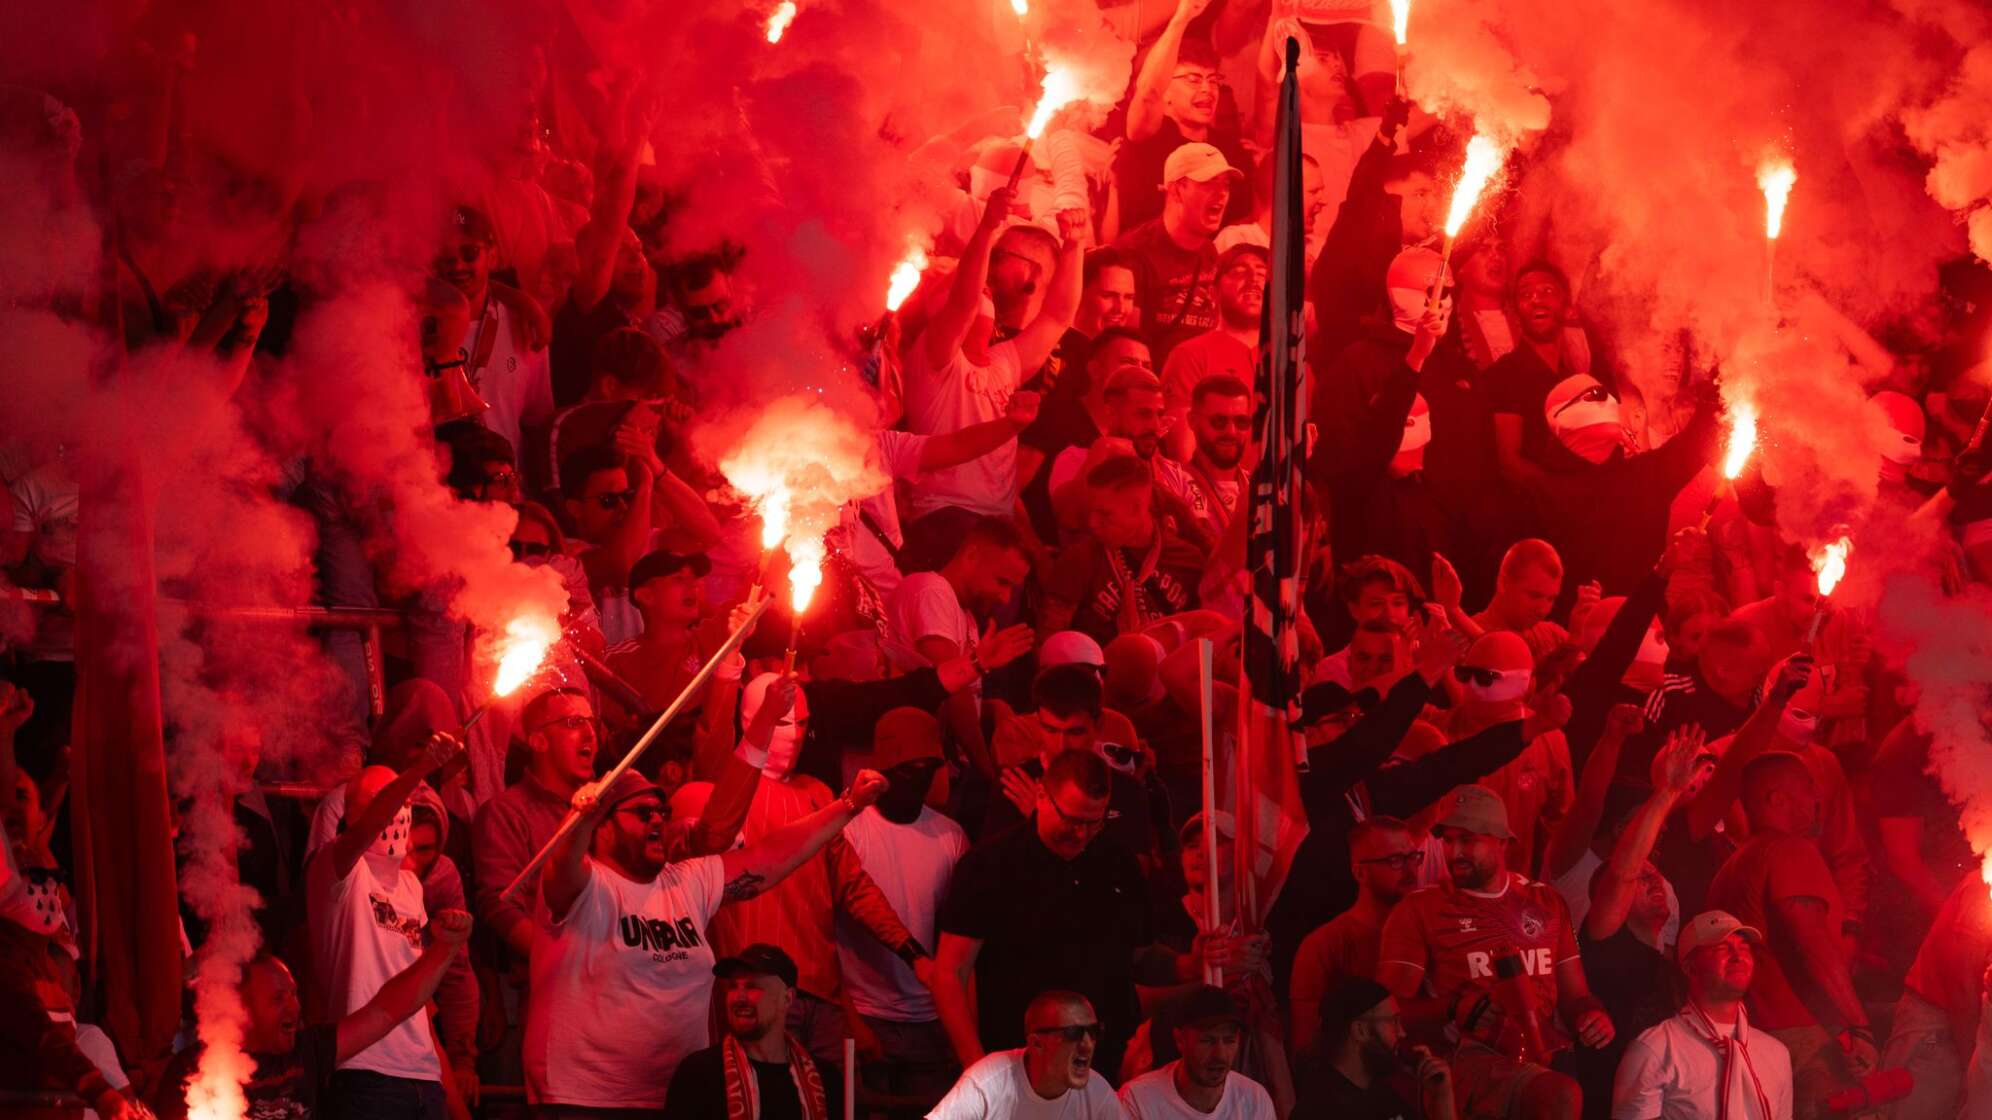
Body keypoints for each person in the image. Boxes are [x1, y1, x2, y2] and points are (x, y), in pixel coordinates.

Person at [524, 724, 890, 1114]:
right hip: (585, 1101)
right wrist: (578, 818)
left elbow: (767, 858)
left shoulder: (686, 882)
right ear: (604, 823)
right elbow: (562, 865)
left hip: (675, 1098)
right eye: (642, 812)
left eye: (662, 813)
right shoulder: (588, 885)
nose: (657, 821)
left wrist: (847, 806)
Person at [1377, 786, 1613, 1120]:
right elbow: (1385, 1014)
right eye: (1447, 839)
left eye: (1469, 839)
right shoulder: (1420, 909)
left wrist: (1592, 1017)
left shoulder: (1546, 902)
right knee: (1560, 1095)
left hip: (1540, 1055)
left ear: (1503, 841)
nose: (1454, 851)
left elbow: (1577, 996)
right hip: (1468, 1059)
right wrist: (1453, 1008)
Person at [932, 750, 1150, 1077]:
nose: (1081, 834)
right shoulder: (989, 866)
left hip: (1103, 1063)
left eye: (1095, 822)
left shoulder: (1118, 863)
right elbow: (949, 973)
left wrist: (1191, 963)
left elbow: (1136, 958)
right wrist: (974, 1065)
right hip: (1017, 1062)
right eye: (1072, 819)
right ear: (1041, 796)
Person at [900, 192, 1082, 569]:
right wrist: (986, 228)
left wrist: (1077, 245)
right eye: (977, 294)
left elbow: (1058, 317)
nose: (983, 293)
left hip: (996, 526)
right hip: (945, 519)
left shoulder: (1003, 363)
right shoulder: (937, 359)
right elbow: (963, 302)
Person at [155, 913, 475, 1120]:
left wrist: (444, 949)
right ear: (241, 1009)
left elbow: (387, 1011)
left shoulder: (308, 1050)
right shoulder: (195, 1068)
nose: (293, 1007)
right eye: (278, 998)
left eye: (294, 994)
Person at [1703, 754, 1874, 1120]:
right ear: (1776, 799)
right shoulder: (1788, 850)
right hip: (1805, 1035)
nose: (1817, 795)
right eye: (1808, 786)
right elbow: (1809, 940)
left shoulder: (1730, 869)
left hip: (1755, 1034)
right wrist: (1857, 1023)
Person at [305, 730, 465, 1120]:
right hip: (363, 1072)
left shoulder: (412, 886)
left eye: (406, 800)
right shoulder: (337, 871)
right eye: (384, 799)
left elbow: (417, 1000)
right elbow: (364, 831)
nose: (399, 808)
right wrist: (419, 770)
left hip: (423, 1076)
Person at [837, 709, 971, 1113]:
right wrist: (850, 1018)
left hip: (931, 1014)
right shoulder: (849, 829)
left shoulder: (950, 836)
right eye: (907, 768)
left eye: (927, 767)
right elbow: (823, 931)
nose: (918, 777)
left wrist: (959, 1023)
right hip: (867, 1011)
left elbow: (963, 942)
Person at [884, 515, 1034, 773]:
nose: (1006, 598)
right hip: (915, 770)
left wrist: (991, 710)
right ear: (972, 555)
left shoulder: (965, 614)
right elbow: (952, 691)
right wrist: (986, 770)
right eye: (1002, 581)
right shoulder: (933, 591)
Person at [1611, 911, 1794, 1120]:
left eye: (1744, 947)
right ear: (1690, 968)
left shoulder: (1777, 1053)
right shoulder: (1655, 1050)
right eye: (1722, 948)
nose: (1737, 955)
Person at [979, 663, 1162, 861]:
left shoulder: (1126, 790)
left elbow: (1131, 875)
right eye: (1051, 730)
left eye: (1075, 732)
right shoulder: (1014, 785)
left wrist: (1043, 820)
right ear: (1038, 722)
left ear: (1099, 724)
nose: (1061, 745)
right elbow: (994, 868)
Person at [661, 944, 845, 1120]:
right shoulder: (698, 1074)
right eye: (733, 986)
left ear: (788, 998)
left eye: (752, 987)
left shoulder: (826, 1080)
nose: (738, 998)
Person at [432, 204, 554, 458]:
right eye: (446, 257)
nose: (456, 266)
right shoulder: (416, 328)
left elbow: (537, 422)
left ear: (493, 256)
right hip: (435, 487)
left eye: (469, 253)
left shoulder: (524, 326)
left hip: (504, 487)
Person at [1040, 457, 1204, 646]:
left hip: (1170, 672)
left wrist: (1206, 677)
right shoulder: (1080, 558)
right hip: (1100, 672)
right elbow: (1049, 644)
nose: (1092, 523)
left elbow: (1206, 639)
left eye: (1104, 514)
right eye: (1090, 512)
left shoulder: (1189, 560)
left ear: (1136, 509)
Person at [1289, 817, 1420, 1052]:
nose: (1411, 869)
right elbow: (1305, 1042)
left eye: (1413, 857)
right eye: (1395, 860)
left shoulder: (1427, 929)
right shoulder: (1325, 945)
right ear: (1360, 873)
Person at [1115, 18, 1252, 232]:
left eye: (1213, 80)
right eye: (1193, 80)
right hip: (1143, 259)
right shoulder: (1149, 138)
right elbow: (1149, 94)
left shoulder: (1231, 151)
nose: (1208, 89)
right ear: (1165, 90)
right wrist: (1182, 16)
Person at [1114, 143, 1241, 367]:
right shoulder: (1134, 252)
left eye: (1226, 185)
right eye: (1209, 184)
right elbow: (1124, 344)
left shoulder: (1209, 252)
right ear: (1176, 190)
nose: (1221, 194)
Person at [926, 990, 1125, 1119]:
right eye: (1074, 1034)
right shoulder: (989, 1081)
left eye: (1094, 1032)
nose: (1087, 1044)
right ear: (1036, 1044)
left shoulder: (1098, 1094)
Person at [1293, 977, 1457, 1120]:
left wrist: (1442, 1097)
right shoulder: (1320, 1109)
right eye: (1393, 1021)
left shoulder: (1382, 1095)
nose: (1402, 1033)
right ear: (1360, 1030)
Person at [1159, 245, 1264, 458]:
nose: (1254, 279)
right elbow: (1183, 456)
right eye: (1240, 272)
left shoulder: (1295, 362)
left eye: (1263, 274)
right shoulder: (1188, 356)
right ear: (1212, 292)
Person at [1118, 986, 1277, 1119]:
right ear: (1180, 1040)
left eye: (1229, 1040)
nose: (1220, 1055)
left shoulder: (1255, 1100)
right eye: (1207, 1041)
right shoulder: (1138, 1099)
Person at [1175, 376, 1252, 547]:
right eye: (1219, 421)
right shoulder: (1176, 484)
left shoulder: (1260, 488)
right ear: (1192, 421)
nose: (1231, 432)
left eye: (1241, 421)